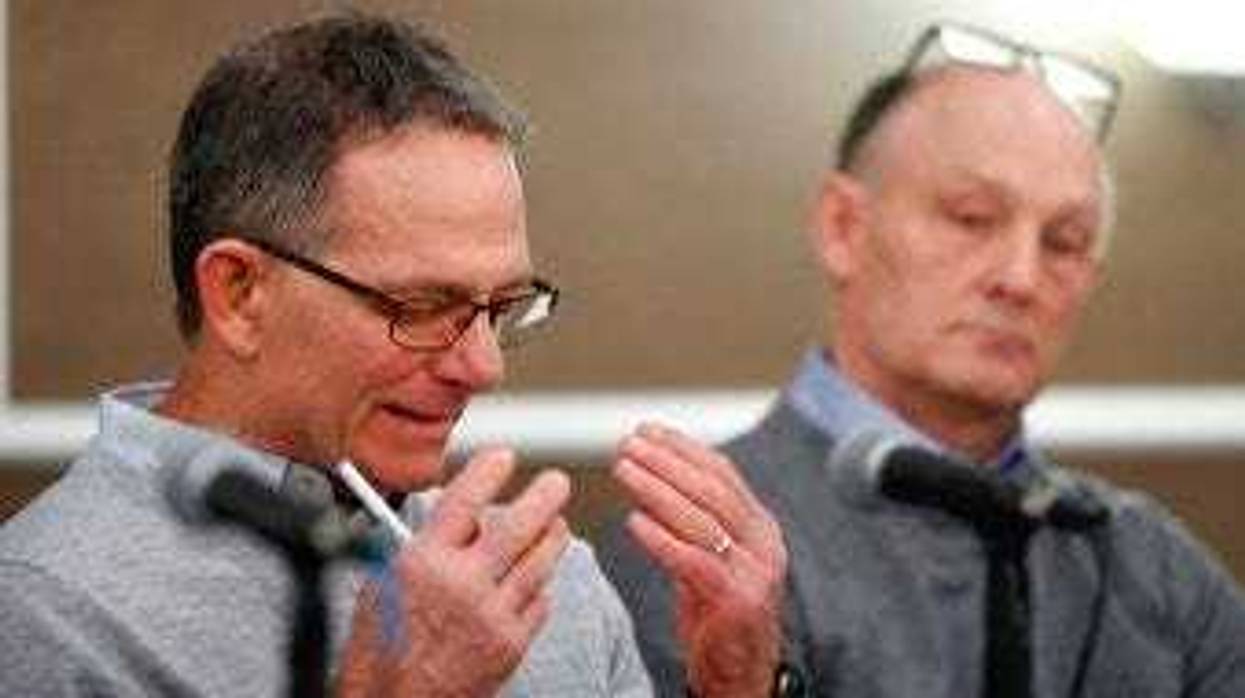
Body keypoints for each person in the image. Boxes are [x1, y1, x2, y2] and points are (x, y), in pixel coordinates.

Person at [0, 12, 785, 697]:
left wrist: (735, 688)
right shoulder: (46, 611)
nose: (484, 368)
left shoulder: (547, 586)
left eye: (500, 307)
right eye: (421, 306)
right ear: (239, 292)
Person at [601, 21, 1245, 697]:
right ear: (842, 227)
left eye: (1064, 241)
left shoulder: (1151, 569)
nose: (1020, 278)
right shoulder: (697, 545)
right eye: (971, 218)